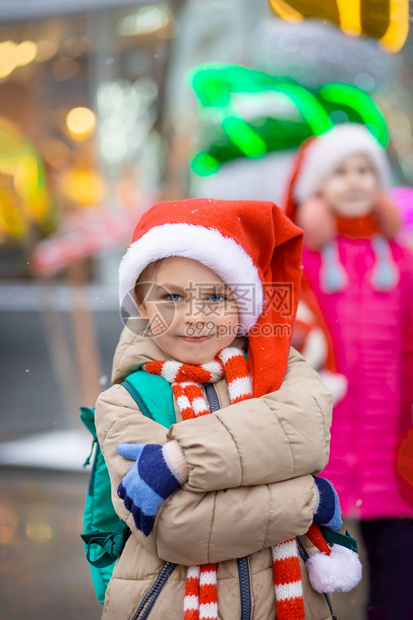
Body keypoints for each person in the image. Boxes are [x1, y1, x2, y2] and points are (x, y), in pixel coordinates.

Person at [95, 198, 352, 620]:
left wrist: (180, 459)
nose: (194, 317)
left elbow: (308, 430)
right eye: (172, 297)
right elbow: (180, 530)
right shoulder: (126, 401)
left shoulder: (277, 368)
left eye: (215, 297)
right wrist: (308, 498)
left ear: (244, 305)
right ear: (142, 306)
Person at [284, 123, 413, 620]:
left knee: (398, 568)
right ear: (316, 187)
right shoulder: (300, 263)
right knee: (307, 572)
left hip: (392, 445)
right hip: (323, 445)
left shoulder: (402, 260)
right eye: (340, 172)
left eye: (365, 170)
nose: (355, 181)